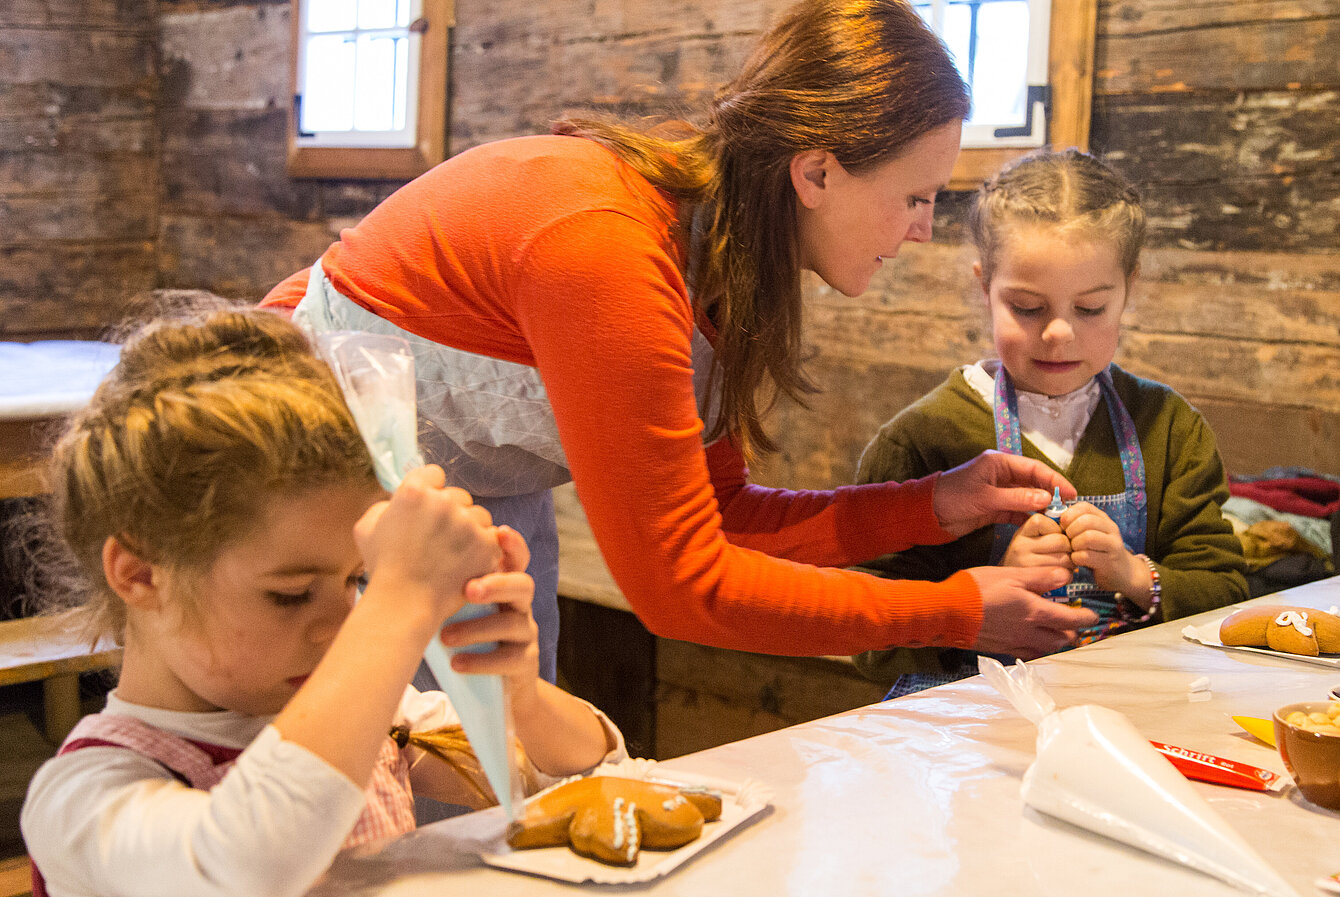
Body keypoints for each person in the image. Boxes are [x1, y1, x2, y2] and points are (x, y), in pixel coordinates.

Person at [262, 0, 1097, 678]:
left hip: (468, 479)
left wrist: (934, 504)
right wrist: (959, 611)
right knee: (381, 802)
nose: (921, 229)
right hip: (310, 465)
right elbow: (681, 587)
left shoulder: (726, 256)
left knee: (496, 785)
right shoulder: (610, 247)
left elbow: (722, 519)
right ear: (817, 173)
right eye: (915, 197)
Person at [20, 307, 623, 897]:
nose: (341, 626)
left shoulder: (388, 720)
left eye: (356, 581)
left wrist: (514, 693)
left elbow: (589, 778)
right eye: (290, 595)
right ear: (141, 575)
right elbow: (241, 868)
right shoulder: (82, 795)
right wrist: (399, 603)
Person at [852, 148, 1249, 697]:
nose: (1059, 333)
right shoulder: (922, 439)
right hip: (960, 737)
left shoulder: (1169, 428)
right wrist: (971, 604)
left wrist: (1137, 576)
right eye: (1027, 307)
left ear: (1127, 288)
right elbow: (867, 633)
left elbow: (1227, 594)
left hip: (1125, 715)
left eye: (1089, 309)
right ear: (984, 286)